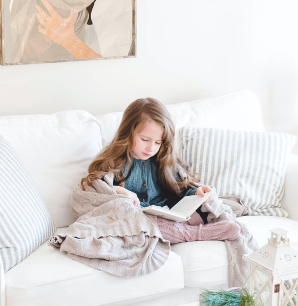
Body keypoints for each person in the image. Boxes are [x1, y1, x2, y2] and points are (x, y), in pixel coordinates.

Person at [81, 98, 240, 243]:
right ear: (127, 133)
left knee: (198, 210)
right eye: (145, 140)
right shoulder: (113, 159)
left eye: (158, 142)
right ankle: (194, 234)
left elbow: (180, 189)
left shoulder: (163, 159)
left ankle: (190, 227)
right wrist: (119, 192)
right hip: (137, 218)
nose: (151, 148)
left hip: (167, 213)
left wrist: (197, 193)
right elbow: (95, 191)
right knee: (144, 225)